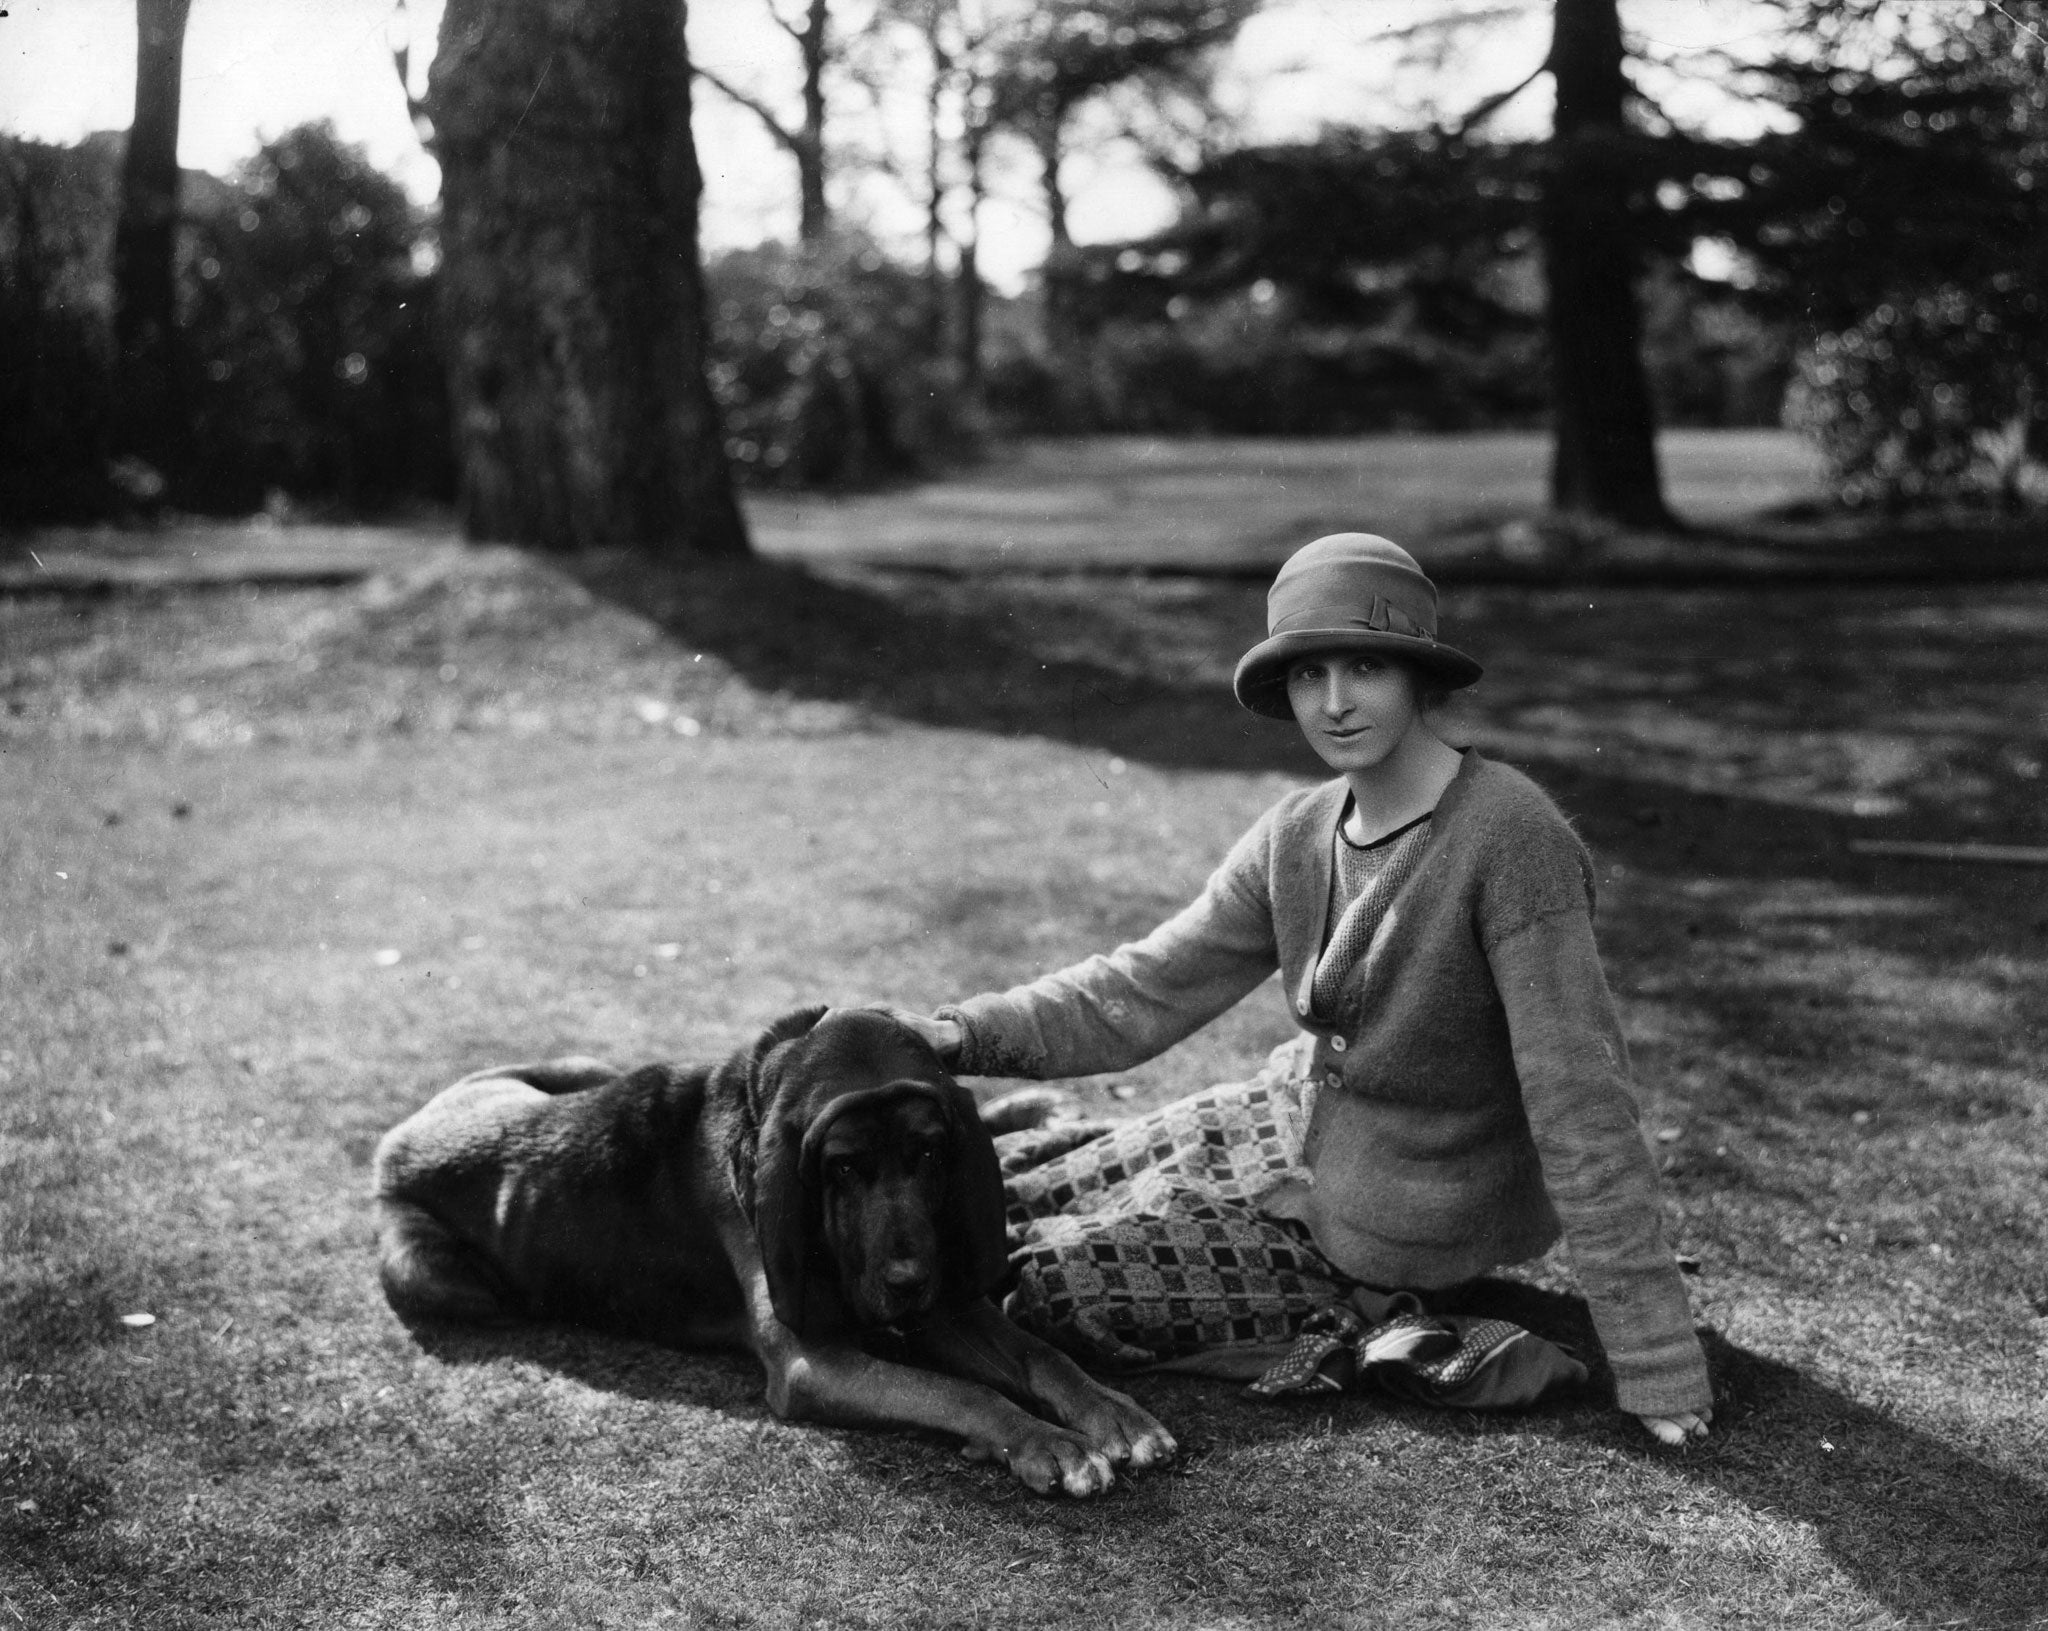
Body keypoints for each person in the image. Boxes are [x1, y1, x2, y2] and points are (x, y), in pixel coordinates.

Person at [890, 532, 1713, 1446]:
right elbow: (1144, 987)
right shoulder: (1298, 831)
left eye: (1364, 666)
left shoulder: (1512, 838)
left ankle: (1378, 1321)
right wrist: (958, 1036)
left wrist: (1655, 1359)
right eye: (1306, 672)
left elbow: (1580, 1098)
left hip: (1396, 1225)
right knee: (1020, 1189)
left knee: (1047, 1287)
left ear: (1418, 677)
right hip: (1284, 1124)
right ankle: (1140, 1182)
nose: (1333, 702)